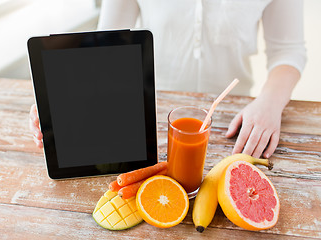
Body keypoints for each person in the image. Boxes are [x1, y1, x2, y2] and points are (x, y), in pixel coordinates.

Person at [30, 0, 306, 158]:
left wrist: (270, 103)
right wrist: (63, 99)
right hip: (144, 121)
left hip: (232, 127)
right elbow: (107, 43)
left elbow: (288, 50)